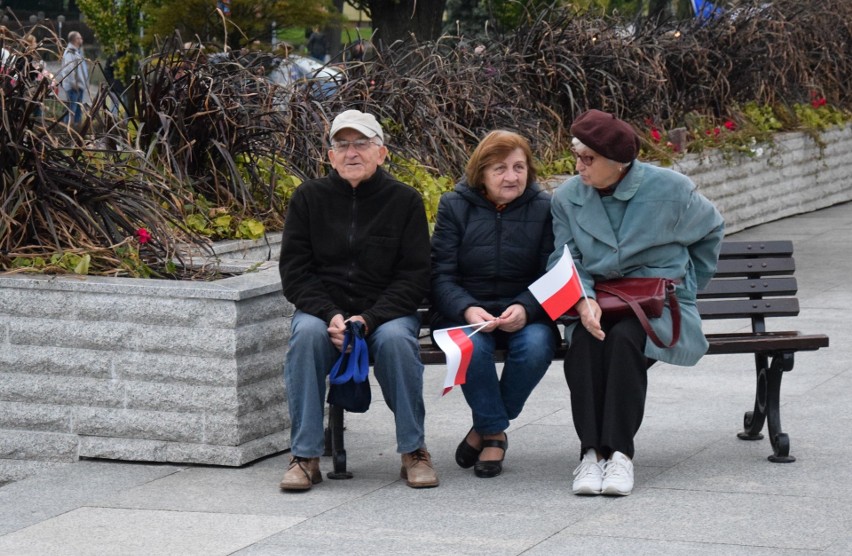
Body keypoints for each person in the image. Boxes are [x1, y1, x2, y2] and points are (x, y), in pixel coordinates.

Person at [549, 109, 724, 496]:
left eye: (588, 159)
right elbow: (565, 259)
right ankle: (591, 456)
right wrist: (583, 301)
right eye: (576, 155)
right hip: (598, 303)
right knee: (584, 345)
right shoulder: (567, 198)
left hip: (657, 307)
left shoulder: (671, 189)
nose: (578, 166)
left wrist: (687, 285)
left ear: (619, 163)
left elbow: (711, 230)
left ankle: (621, 456)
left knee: (625, 340)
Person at [278, 109, 438, 491]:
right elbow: (296, 273)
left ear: (381, 152)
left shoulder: (404, 201)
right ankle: (305, 456)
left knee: (398, 342)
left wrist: (367, 319)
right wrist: (332, 314)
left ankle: (414, 451)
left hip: (386, 314)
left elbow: (414, 276)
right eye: (342, 145)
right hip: (323, 312)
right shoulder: (308, 198)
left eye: (362, 144)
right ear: (330, 156)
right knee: (305, 337)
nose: (352, 153)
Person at [430, 130, 557, 479]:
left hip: (525, 314)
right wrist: (468, 309)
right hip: (467, 313)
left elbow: (552, 272)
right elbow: (440, 274)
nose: (512, 177)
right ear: (481, 172)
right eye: (500, 168)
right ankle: (495, 434)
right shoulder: (454, 205)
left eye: (519, 167)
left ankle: (482, 428)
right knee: (470, 346)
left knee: (536, 346)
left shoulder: (545, 207)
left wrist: (526, 308)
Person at [58, 31, 88, 126]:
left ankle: (76, 129)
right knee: (72, 110)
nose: (81, 40)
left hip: (79, 86)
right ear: (75, 40)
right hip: (74, 87)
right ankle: (68, 130)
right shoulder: (70, 52)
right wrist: (73, 83)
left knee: (78, 110)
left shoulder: (77, 51)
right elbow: (68, 70)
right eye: (79, 38)